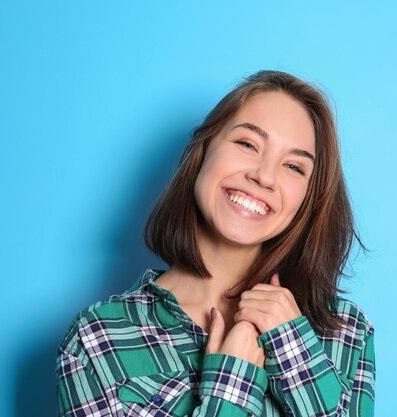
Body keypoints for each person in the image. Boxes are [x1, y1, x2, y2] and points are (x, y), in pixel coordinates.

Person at [56, 70, 375, 417]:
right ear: (204, 149)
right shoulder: (97, 340)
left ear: (308, 199)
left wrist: (291, 347)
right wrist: (232, 385)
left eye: (294, 166)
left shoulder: (345, 331)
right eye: (248, 144)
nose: (264, 176)